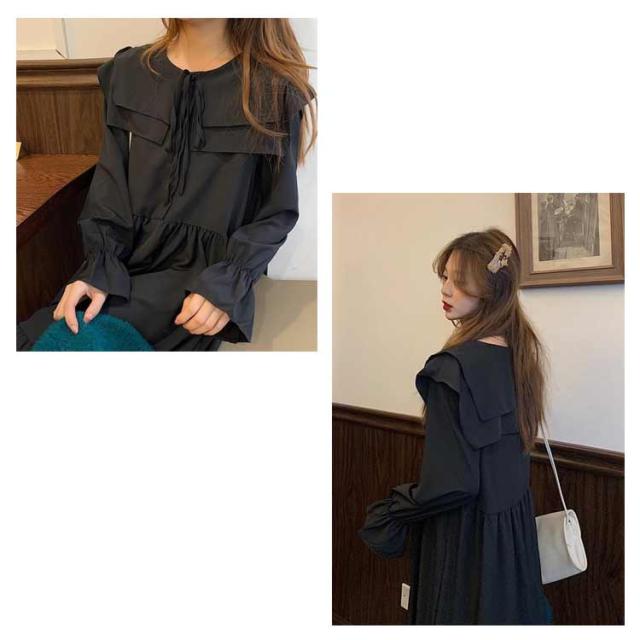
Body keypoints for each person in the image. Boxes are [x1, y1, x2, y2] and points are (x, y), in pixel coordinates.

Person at [17, 18, 317, 351]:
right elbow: (109, 188)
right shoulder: (129, 72)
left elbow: (276, 212)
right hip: (123, 265)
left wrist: (228, 283)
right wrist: (98, 267)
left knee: (75, 342)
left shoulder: (272, 88)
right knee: (39, 337)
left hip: (198, 283)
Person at [358, 227, 554, 624]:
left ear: (491, 290)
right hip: (510, 529)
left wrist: (395, 510)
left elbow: (452, 483)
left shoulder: (452, 369)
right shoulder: (520, 355)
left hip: (464, 536)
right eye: (445, 277)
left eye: (460, 281)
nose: (446, 289)